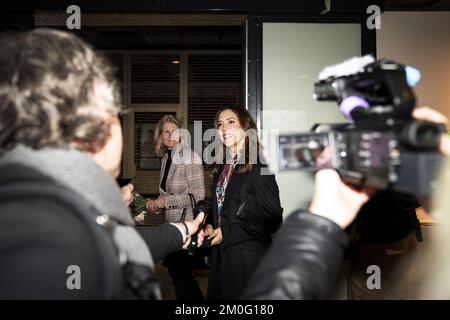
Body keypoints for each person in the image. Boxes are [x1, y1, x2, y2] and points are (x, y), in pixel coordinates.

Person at [0, 28, 204, 299]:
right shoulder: (50, 232)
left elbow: (114, 243)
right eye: (115, 115)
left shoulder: (32, 202)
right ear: (107, 131)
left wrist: (179, 229)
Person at [242, 107, 450, 300]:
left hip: (382, 247)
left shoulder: (384, 170)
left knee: (370, 294)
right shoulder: (393, 165)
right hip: (396, 241)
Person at [203, 105, 283, 300]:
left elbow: (272, 219)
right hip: (222, 256)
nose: (224, 128)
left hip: (247, 259)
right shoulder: (224, 165)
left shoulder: (259, 163)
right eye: (220, 124)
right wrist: (210, 224)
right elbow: (222, 207)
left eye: (231, 122)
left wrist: (226, 234)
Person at [146, 115, 206, 300]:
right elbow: (167, 194)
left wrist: (165, 202)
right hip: (172, 225)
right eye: (166, 131)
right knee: (177, 276)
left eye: (175, 131)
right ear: (161, 135)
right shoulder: (166, 158)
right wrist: (157, 204)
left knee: (181, 276)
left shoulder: (190, 157)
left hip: (187, 226)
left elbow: (198, 196)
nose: (170, 134)